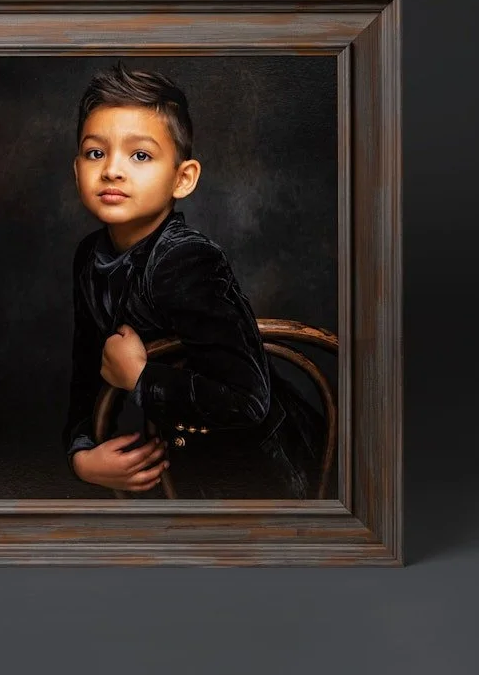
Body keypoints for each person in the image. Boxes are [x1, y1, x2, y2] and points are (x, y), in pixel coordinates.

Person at [62, 63, 325, 499]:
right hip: (184, 467)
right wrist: (82, 454)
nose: (112, 170)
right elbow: (86, 371)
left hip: (270, 470)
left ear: (182, 178)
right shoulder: (90, 257)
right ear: (76, 172)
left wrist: (142, 378)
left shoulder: (187, 260)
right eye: (95, 153)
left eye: (140, 155)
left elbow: (248, 399)